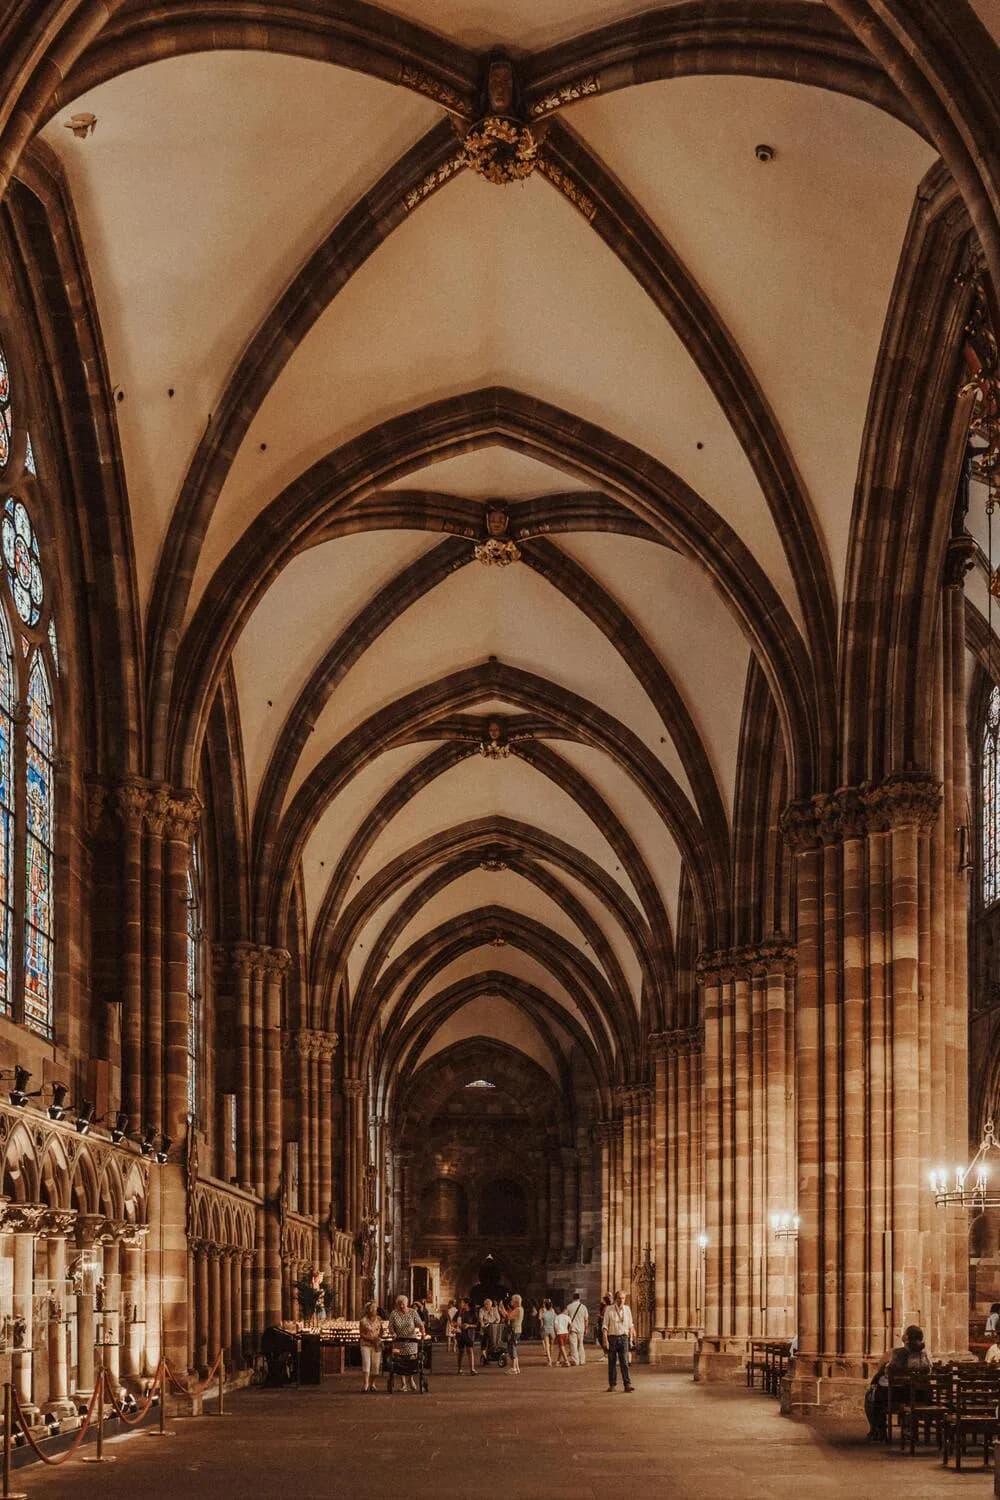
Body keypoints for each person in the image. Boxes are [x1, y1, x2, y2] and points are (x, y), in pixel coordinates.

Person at [866, 1325, 931, 1441]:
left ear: (906, 1337)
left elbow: (888, 1371)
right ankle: (909, 1428)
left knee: (873, 1396)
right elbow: (928, 1371)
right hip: (920, 1395)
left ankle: (879, 1430)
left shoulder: (897, 1353)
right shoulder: (925, 1355)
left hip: (897, 1395)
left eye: (905, 1333)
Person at [387, 1293, 423, 1393]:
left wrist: (422, 1331)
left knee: (411, 1360)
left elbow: (420, 1323)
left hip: (411, 1341)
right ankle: (403, 1384)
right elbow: (390, 1326)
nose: (401, 1306)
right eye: (399, 1304)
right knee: (400, 1362)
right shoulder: (394, 1313)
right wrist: (393, 1333)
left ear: (407, 1303)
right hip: (399, 1341)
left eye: (403, 1304)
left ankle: (410, 1379)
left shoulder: (412, 1312)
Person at [601, 1289, 635, 1392]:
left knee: (624, 1362)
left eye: (623, 1298)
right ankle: (612, 1385)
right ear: (615, 1299)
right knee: (612, 1362)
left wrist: (631, 1339)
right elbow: (605, 1326)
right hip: (612, 1338)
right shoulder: (609, 1309)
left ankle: (627, 1385)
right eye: (619, 1298)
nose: (621, 1300)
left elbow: (630, 1325)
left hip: (624, 1338)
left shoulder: (627, 1309)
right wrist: (605, 1340)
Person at [359, 1299, 383, 1394]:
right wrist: (370, 1339)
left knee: (375, 1366)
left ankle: (372, 1383)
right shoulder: (363, 1321)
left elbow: (381, 1331)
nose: (374, 1310)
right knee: (366, 1363)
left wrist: (379, 1338)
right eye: (372, 1308)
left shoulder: (379, 1319)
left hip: (376, 1345)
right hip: (366, 1344)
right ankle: (365, 1384)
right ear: (368, 1309)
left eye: (375, 1308)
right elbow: (361, 1333)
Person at [501, 1293, 523, 1374]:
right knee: (513, 1348)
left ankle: (513, 1368)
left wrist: (502, 1309)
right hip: (517, 1330)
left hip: (514, 1330)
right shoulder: (520, 1309)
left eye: (512, 1300)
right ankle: (516, 1368)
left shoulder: (518, 1309)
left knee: (511, 1348)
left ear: (515, 1302)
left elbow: (508, 1317)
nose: (511, 1302)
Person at [565, 1289, 589, 1366]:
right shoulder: (583, 1307)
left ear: (573, 1298)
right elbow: (586, 1319)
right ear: (579, 1298)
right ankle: (582, 1360)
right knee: (581, 1344)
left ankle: (576, 1361)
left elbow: (566, 1318)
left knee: (573, 1345)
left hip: (572, 1328)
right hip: (581, 1328)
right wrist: (586, 1328)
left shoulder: (569, 1306)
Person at [458, 1297, 478, 1375]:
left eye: (462, 1302)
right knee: (461, 1352)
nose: (460, 1304)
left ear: (466, 1304)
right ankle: (459, 1369)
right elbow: (453, 1321)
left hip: (469, 1334)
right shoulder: (459, 1312)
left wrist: (469, 1325)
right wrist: (456, 1326)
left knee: (470, 1350)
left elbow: (476, 1324)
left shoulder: (472, 1312)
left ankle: (472, 1369)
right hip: (460, 1333)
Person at [479, 1297, 499, 1362]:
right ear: (484, 1305)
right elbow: (480, 1318)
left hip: (492, 1327)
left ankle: (489, 1355)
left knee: (492, 1342)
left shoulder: (494, 1309)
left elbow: (498, 1319)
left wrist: (495, 1323)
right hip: (485, 1327)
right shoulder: (482, 1310)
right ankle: (484, 1355)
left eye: (489, 1305)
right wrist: (482, 1324)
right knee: (484, 1342)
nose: (488, 1306)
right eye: (486, 1305)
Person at [539, 1298, 556, 1365]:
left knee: (547, 1345)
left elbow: (542, 1324)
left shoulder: (543, 1314)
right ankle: (551, 1357)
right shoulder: (553, 1314)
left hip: (545, 1329)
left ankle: (549, 1360)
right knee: (552, 1345)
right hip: (552, 1330)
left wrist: (541, 1329)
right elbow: (555, 1323)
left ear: (545, 1306)